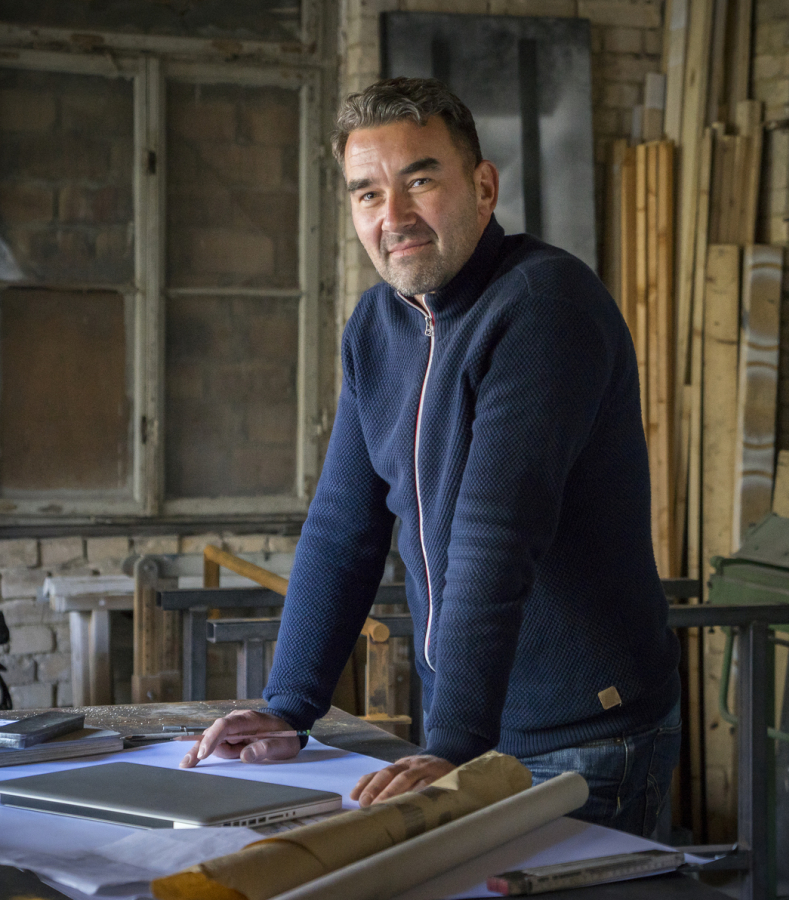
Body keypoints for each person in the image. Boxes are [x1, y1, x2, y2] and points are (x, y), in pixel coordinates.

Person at [181, 77, 681, 837]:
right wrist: (289, 707)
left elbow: (494, 536)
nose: (395, 217)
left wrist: (454, 745)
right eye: (367, 194)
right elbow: (343, 526)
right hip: (470, 728)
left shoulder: (543, 308)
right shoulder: (378, 325)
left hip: (584, 736)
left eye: (420, 180)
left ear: (483, 187)